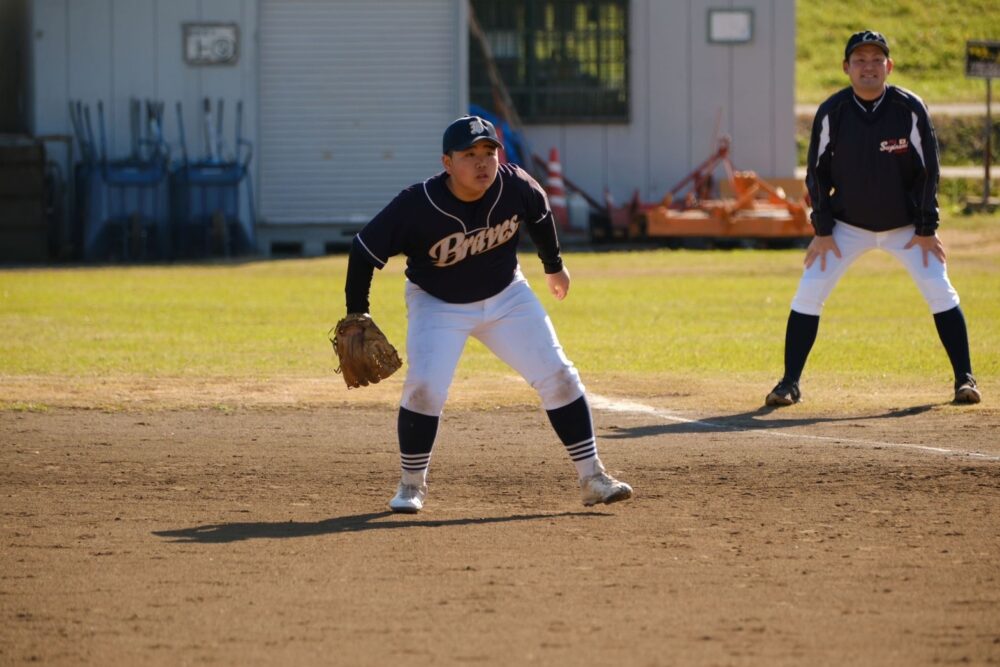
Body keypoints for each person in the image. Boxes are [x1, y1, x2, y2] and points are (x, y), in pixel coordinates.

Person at [343, 115, 633, 513]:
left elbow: (540, 213)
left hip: (506, 295)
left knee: (560, 377)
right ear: (447, 163)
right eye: (470, 155)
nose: (483, 163)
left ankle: (593, 478)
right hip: (437, 302)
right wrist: (357, 311)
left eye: (489, 152)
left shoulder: (514, 184)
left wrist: (553, 265)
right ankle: (411, 486)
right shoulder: (416, 205)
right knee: (425, 387)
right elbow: (363, 251)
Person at [765, 30, 981, 407]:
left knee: (940, 291)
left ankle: (965, 380)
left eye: (876, 60)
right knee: (808, 293)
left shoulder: (909, 109)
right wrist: (824, 230)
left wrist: (927, 229)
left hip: (908, 230)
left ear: (889, 66)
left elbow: (929, 169)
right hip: (846, 228)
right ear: (846, 67)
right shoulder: (833, 112)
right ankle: (788, 384)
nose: (869, 67)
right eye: (860, 61)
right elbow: (816, 173)